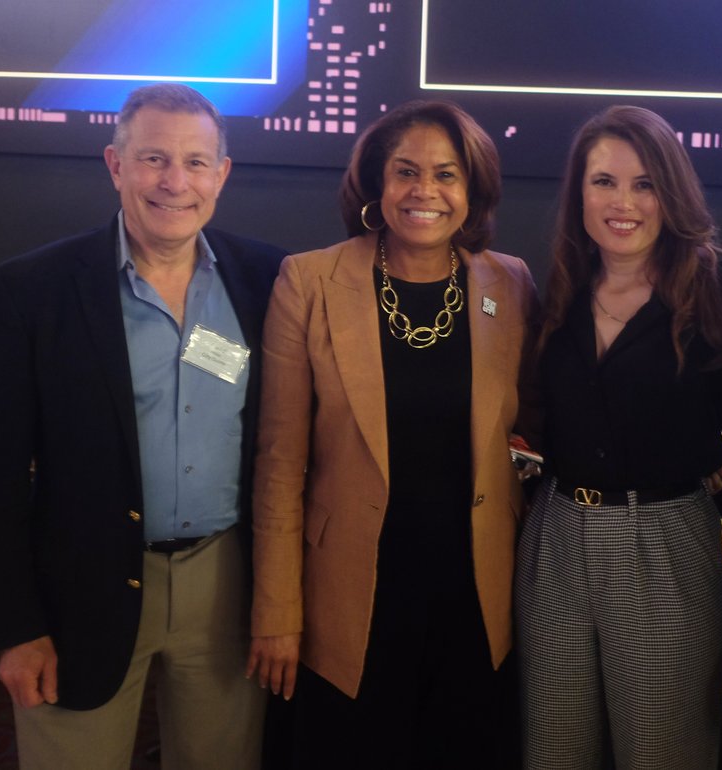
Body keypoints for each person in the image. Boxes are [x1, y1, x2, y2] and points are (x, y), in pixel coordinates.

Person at [0, 84, 285, 769]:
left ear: (222, 174)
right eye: (153, 159)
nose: (175, 182)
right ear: (114, 165)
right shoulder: (33, 290)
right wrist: (15, 629)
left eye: (197, 163)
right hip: (81, 584)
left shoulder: (267, 278)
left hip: (225, 582)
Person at [245, 100, 537, 767]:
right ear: (377, 184)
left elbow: (533, 417)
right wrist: (277, 613)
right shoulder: (310, 281)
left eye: (447, 175)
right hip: (351, 596)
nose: (425, 192)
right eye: (406, 172)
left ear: (473, 191)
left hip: (474, 593)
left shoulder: (509, 283)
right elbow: (280, 464)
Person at [515, 105, 722, 769]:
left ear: (671, 193)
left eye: (644, 184)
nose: (622, 202)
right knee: (553, 751)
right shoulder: (562, 284)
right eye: (604, 182)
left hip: (662, 540)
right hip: (557, 536)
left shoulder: (713, 288)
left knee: (662, 754)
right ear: (579, 192)